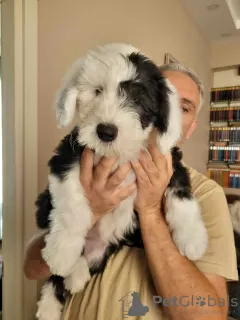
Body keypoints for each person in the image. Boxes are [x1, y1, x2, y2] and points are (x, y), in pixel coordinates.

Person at [23, 63, 238, 320]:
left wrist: (149, 212)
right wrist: (89, 213)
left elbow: (208, 316)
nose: (168, 113)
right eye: (157, 98)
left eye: (184, 108)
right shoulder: (85, 171)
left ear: (191, 128)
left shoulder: (206, 194)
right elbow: (31, 268)